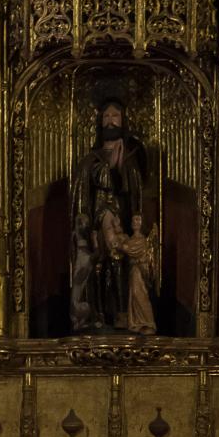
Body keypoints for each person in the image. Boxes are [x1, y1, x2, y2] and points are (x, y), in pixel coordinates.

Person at [70, 99, 147, 331]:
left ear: (123, 121)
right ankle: (97, 313)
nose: (110, 121)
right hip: (97, 221)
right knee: (98, 265)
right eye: (105, 117)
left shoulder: (131, 158)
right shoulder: (90, 160)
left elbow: (135, 194)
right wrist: (87, 225)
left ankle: (123, 313)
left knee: (120, 265)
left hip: (122, 223)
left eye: (115, 116)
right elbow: (83, 196)